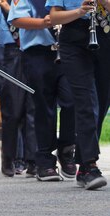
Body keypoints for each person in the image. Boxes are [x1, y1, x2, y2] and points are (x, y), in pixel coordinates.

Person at [9, 0, 76, 181]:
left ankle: (67, 149)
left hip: (68, 51)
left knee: (72, 101)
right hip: (38, 54)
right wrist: (44, 22)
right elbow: (16, 19)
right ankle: (45, 161)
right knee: (44, 107)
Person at [48, 0, 108, 190]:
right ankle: (90, 165)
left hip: (104, 35)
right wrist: (79, 11)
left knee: (101, 102)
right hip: (73, 39)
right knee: (86, 100)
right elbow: (54, 17)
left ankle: (82, 166)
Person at [0, 0, 37, 177]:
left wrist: (9, 9)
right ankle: (9, 158)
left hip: (34, 51)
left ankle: (33, 159)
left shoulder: (31, 3)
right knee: (12, 110)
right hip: (10, 55)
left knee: (33, 109)